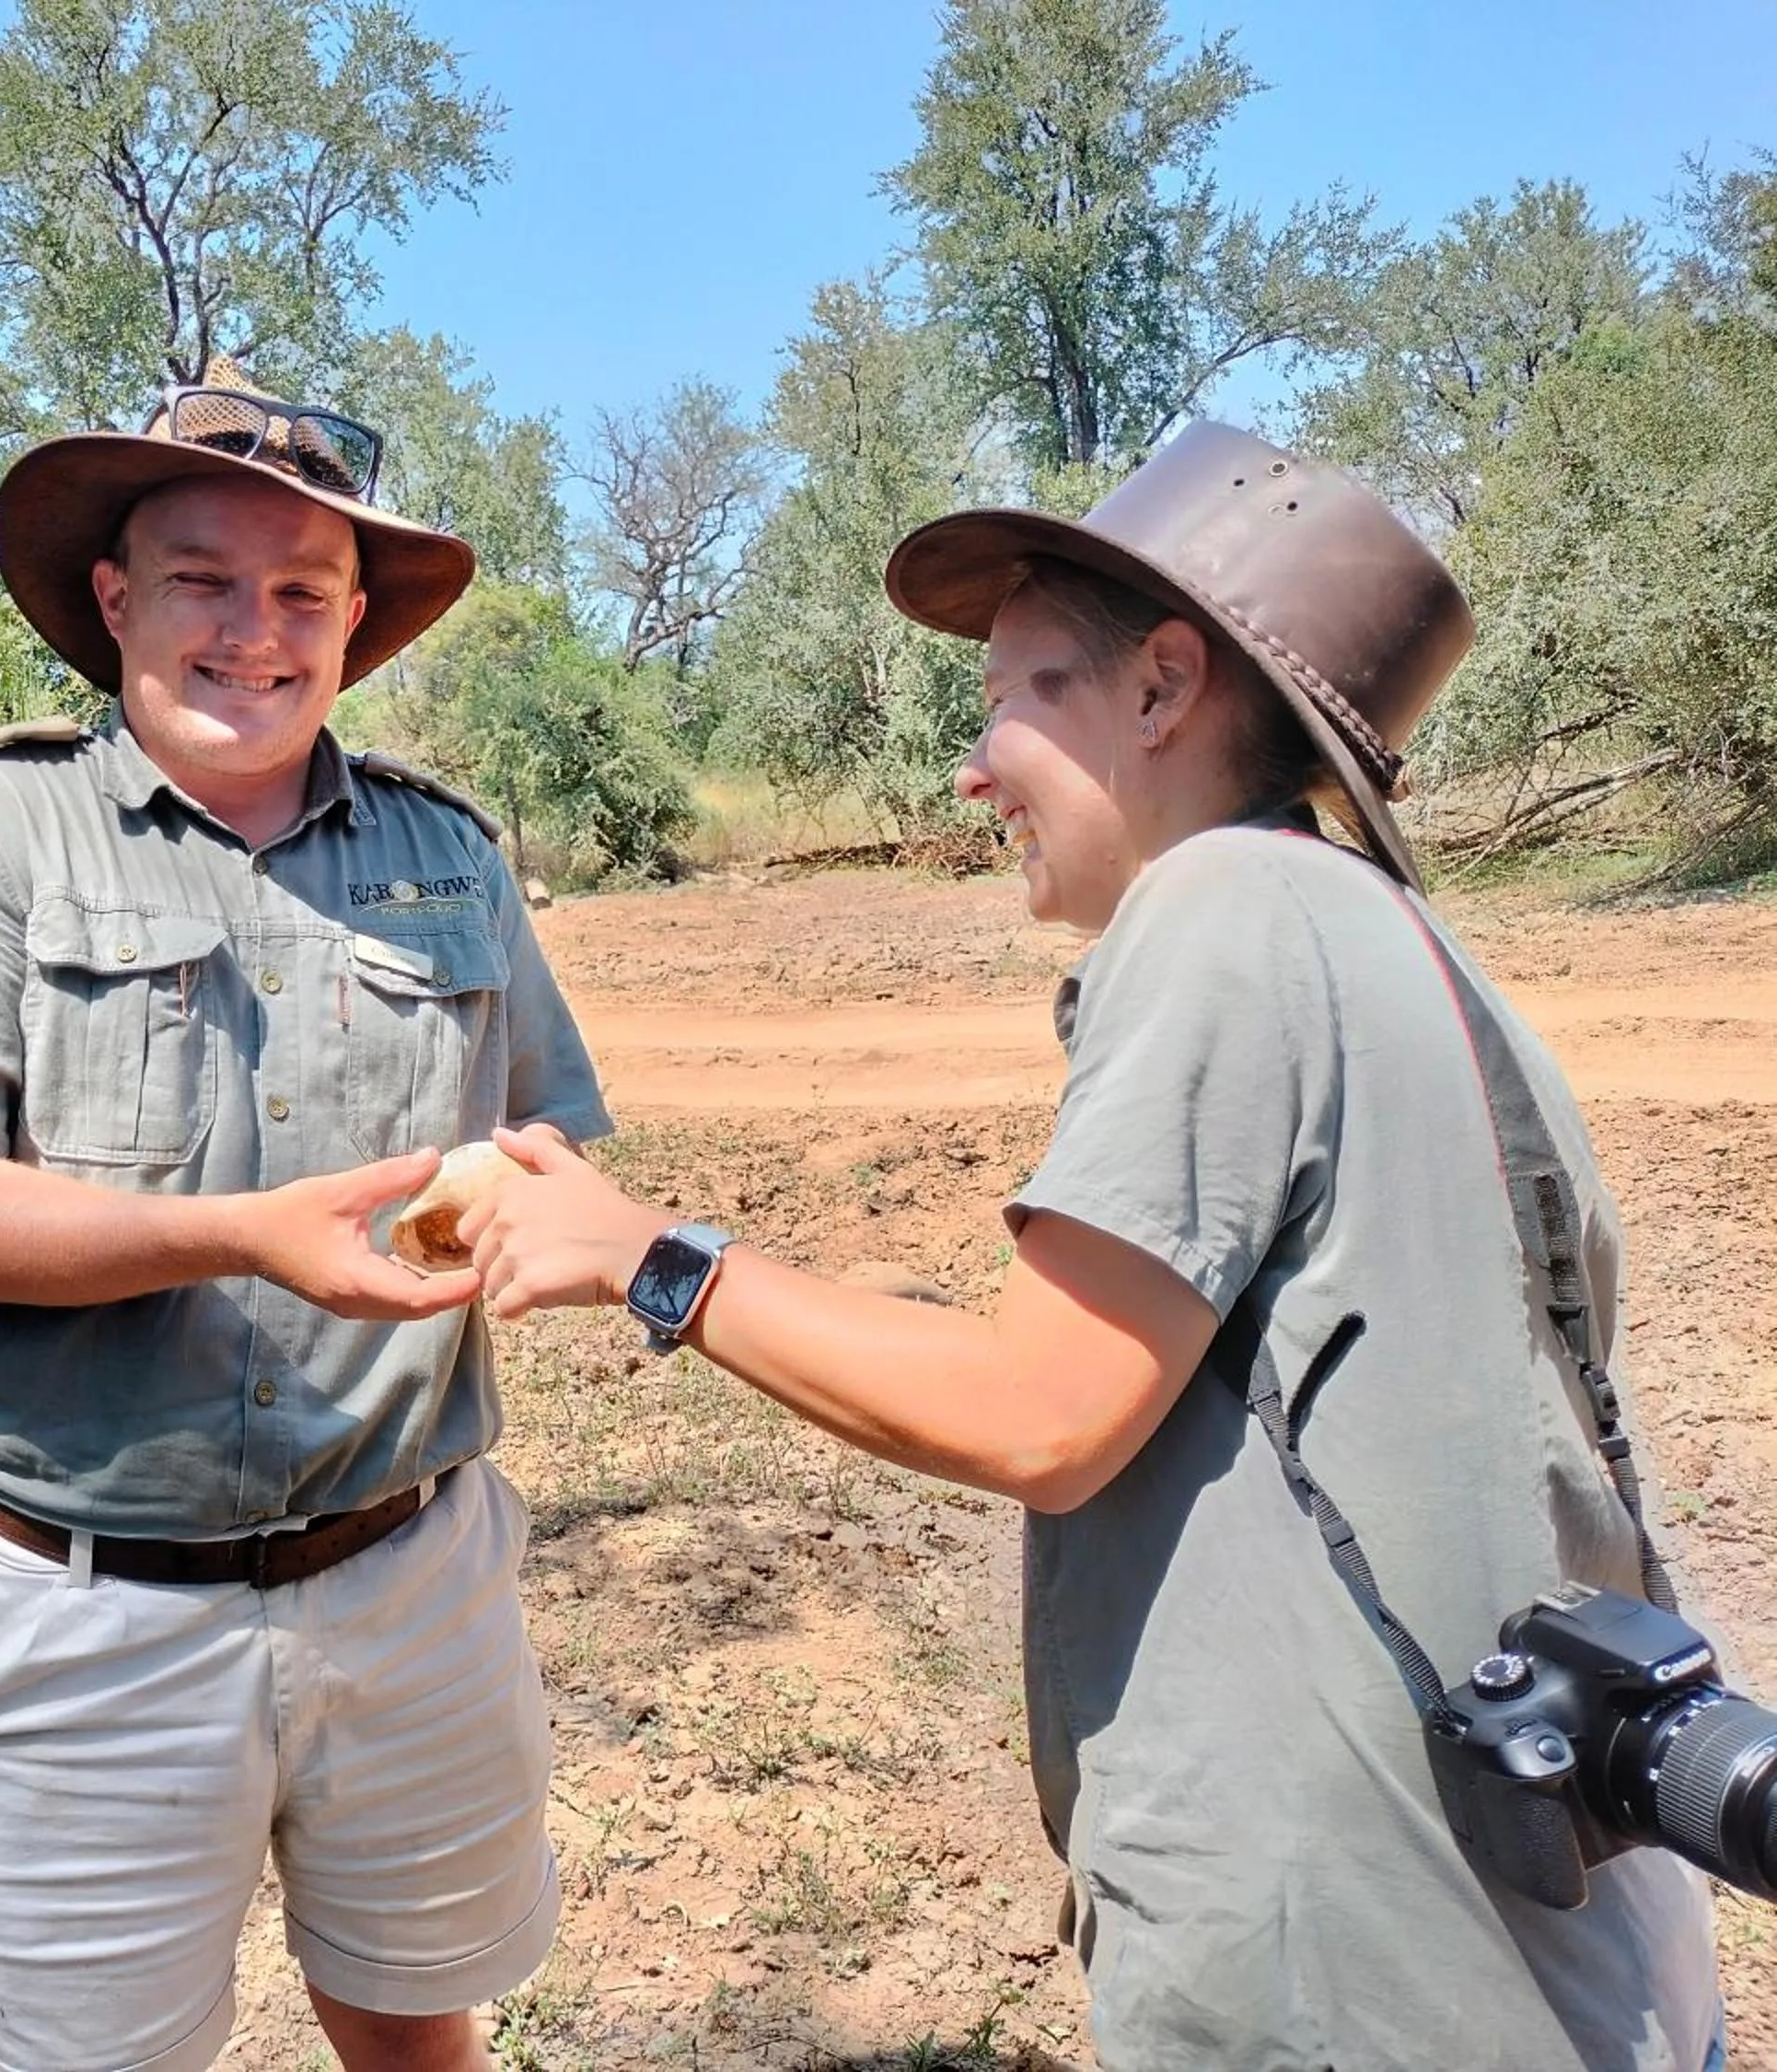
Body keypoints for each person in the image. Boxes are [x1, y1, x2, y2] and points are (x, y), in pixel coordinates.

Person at [458, 422, 1729, 2070]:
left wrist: (650, 1258)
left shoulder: (1224, 911)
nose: (975, 766)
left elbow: (1037, 1411)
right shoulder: (1384, 936)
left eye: (1018, 690)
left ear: (1163, 688)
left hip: (1363, 1978)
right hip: (1569, 1972)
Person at [0, 361, 610, 2072]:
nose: (258, 629)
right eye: (204, 581)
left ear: (352, 620)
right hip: (90, 1617)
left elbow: (552, 1127)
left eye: (304, 590)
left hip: (415, 1582)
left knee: (418, 2030)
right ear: (114, 601)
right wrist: (242, 1233)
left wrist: (554, 1212)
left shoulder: (449, 851)